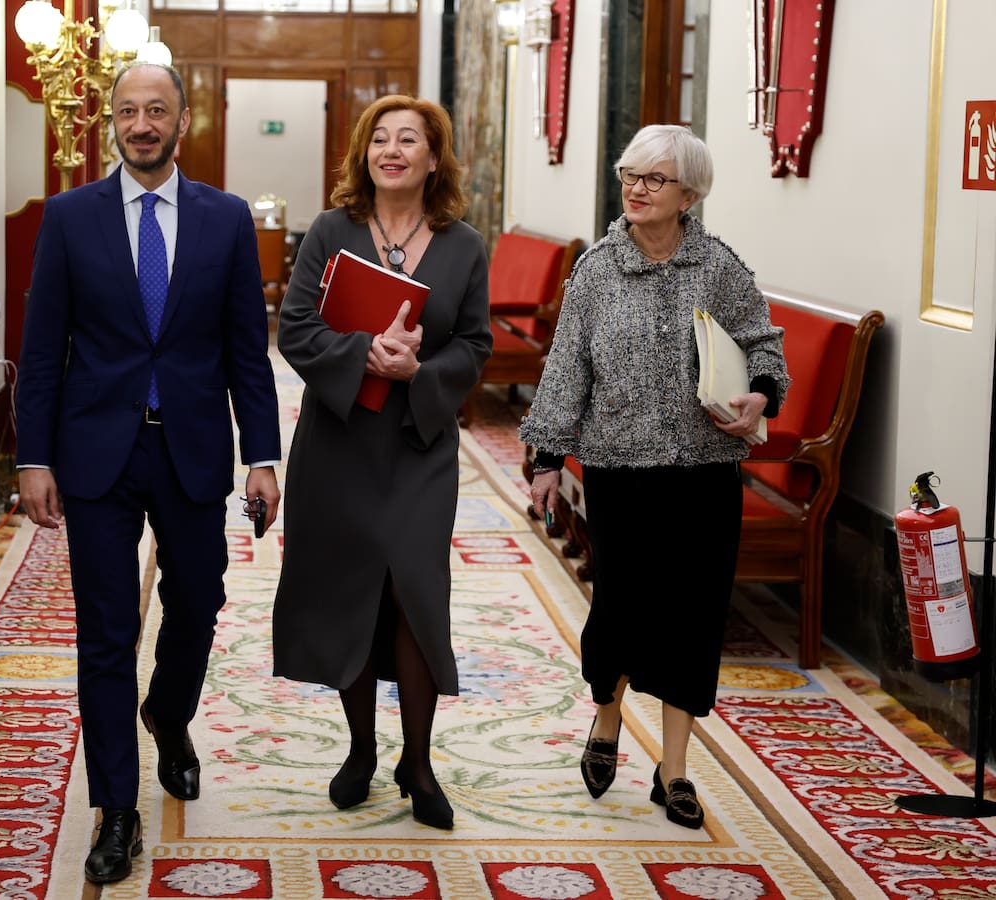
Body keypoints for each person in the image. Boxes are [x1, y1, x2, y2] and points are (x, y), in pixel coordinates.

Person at [15, 61, 282, 884]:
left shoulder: (225, 218)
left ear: (182, 120)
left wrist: (263, 456)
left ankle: (167, 712)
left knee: (198, 602)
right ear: (112, 121)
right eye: (128, 110)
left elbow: (247, 350)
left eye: (156, 110)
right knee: (105, 632)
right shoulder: (69, 217)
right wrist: (33, 456)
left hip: (191, 447)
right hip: (97, 451)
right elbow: (42, 347)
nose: (141, 124)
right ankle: (118, 810)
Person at [519, 124, 788, 829]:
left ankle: (674, 771)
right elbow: (566, 368)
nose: (636, 189)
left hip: (705, 472)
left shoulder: (718, 267)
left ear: (688, 195)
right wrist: (547, 459)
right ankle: (607, 719)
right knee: (622, 610)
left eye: (654, 179)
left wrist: (761, 395)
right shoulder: (596, 271)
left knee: (693, 618)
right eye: (629, 175)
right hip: (619, 471)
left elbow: (763, 344)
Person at [272, 95, 492, 831]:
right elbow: (295, 327)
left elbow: (476, 345)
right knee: (351, 594)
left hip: (418, 446)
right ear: (363, 155)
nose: (391, 150)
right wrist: (365, 353)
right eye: (379, 139)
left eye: (408, 140)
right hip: (338, 445)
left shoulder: (464, 244)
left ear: (434, 158)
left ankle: (418, 762)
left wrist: (416, 373)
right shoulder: (330, 231)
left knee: (414, 595)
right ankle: (362, 749)